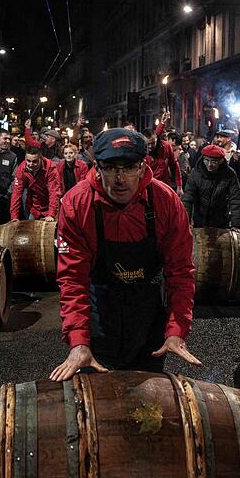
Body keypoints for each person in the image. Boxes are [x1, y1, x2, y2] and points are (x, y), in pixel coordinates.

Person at [50, 128, 200, 380]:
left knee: (149, 408)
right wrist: (78, 342)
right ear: (97, 167)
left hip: (147, 311)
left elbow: (181, 272)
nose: (120, 179)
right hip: (101, 310)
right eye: (111, 167)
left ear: (142, 167)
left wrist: (176, 330)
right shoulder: (76, 204)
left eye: (129, 167)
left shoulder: (166, 201)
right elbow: (73, 280)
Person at [182, 143, 240, 228]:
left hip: (220, 220)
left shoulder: (229, 174)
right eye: (206, 160)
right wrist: (186, 222)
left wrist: (236, 225)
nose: (209, 164)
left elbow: (236, 200)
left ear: (221, 161)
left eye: (213, 161)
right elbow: (187, 198)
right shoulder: (196, 172)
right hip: (199, 219)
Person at [10, 146, 62, 221]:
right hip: (33, 207)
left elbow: (54, 192)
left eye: (34, 161)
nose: (30, 164)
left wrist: (51, 214)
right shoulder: (21, 169)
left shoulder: (50, 168)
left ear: (41, 159)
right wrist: (14, 216)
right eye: (28, 161)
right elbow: (16, 193)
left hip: (49, 206)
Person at [145, 116, 183, 193]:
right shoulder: (140, 151)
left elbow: (174, 166)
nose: (150, 146)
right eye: (148, 144)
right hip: (147, 188)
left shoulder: (166, 146)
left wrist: (179, 186)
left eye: (153, 143)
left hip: (164, 186)